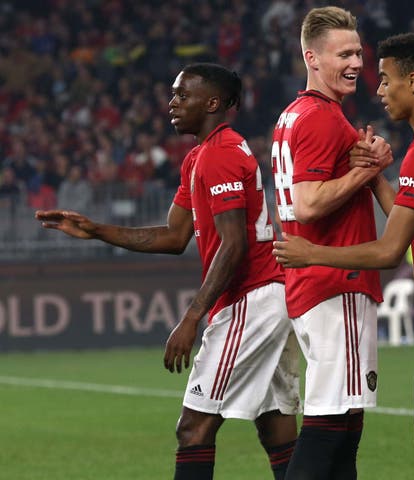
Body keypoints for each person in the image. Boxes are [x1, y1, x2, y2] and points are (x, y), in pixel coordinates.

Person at [35, 63, 300, 480]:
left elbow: (234, 245)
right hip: (263, 297)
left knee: (193, 429)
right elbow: (175, 236)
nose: (171, 104)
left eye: (181, 95)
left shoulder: (221, 155)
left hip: (254, 299)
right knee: (275, 426)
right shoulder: (200, 156)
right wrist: (96, 229)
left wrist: (192, 318)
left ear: (212, 102)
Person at [273, 32, 414, 480]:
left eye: (386, 80)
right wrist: (376, 174)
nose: (378, 90)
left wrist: (311, 252)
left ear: (413, 81)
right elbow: (411, 217)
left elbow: (390, 249)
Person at [270, 6, 393, 479]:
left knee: (345, 422)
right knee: (330, 422)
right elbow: (307, 203)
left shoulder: (293, 114)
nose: (356, 63)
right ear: (311, 58)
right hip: (334, 284)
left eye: (358, 53)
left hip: (315, 283)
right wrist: (366, 170)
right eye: (343, 54)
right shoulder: (322, 118)